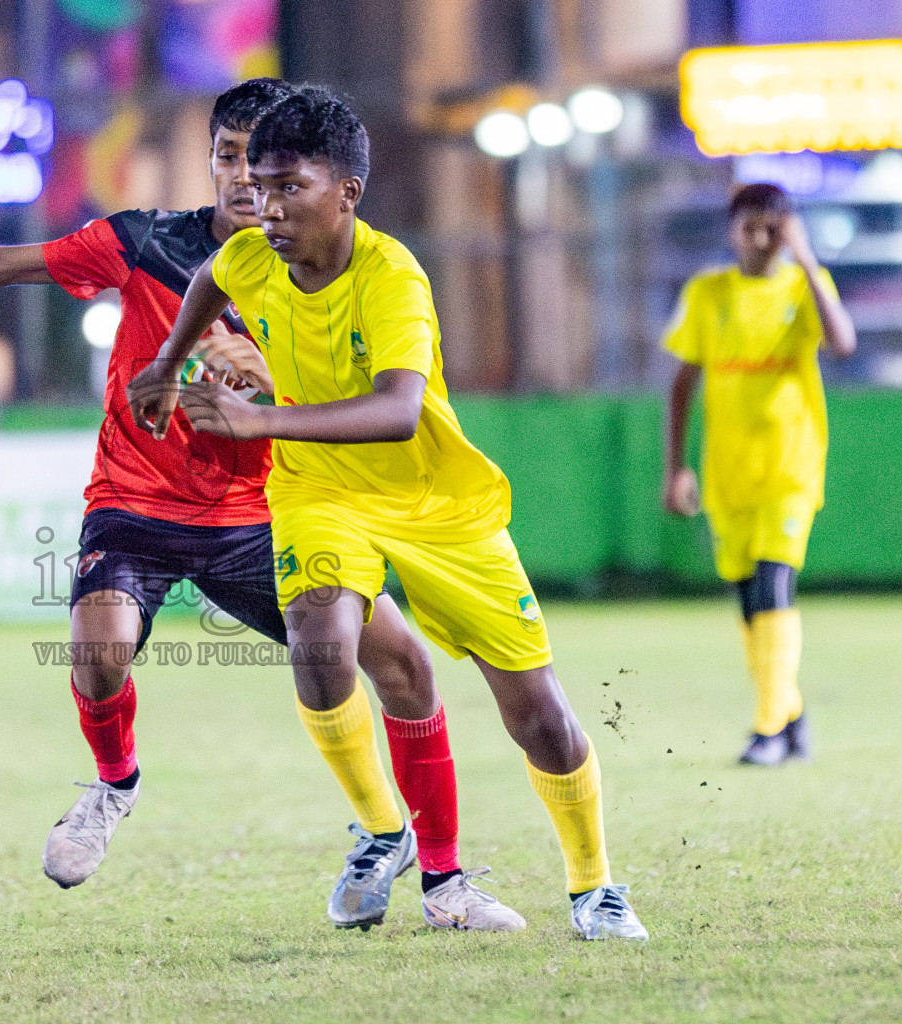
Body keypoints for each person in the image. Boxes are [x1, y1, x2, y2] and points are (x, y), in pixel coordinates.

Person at [0, 78, 522, 931]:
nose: (246, 182)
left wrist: (265, 383)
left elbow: (377, 401)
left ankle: (432, 870)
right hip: (135, 502)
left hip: (265, 507)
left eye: (265, 167)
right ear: (214, 163)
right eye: (229, 158)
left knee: (396, 664)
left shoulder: (336, 275)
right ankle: (113, 787)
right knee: (97, 649)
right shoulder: (144, 244)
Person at [129, 86, 648, 940]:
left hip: (436, 502)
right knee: (318, 637)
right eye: (258, 185)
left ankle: (594, 886)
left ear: (347, 193)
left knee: (537, 714)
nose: (266, 207)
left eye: (289, 186)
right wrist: (166, 362)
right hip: (318, 491)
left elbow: (398, 410)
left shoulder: (391, 275)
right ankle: (382, 830)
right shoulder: (251, 259)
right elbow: (205, 280)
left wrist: (260, 419)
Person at [662, 182, 856, 766]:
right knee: (751, 601)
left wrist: (810, 259)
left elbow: (843, 343)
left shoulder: (804, 287)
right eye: (752, 226)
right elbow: (681, 384)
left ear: (790, 230)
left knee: (775, 585)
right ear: (732, 230)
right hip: (729, 471)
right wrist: (676, 467)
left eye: (775, 227)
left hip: (790, 467)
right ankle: (791, 714)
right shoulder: (707, 292)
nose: (763, 238)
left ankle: (767, 728)